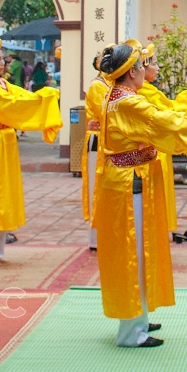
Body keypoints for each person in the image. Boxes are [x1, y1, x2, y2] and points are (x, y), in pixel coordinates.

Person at [93, 42, 187, 347]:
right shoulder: (128, 103)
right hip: (128, 184)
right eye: (142, 65)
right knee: (133, 251)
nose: (145, 70)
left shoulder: (118, 96)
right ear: (133, 72)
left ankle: (138, 317)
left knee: (138, 248)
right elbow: (161, 122)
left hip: (129, 180)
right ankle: (131, 331)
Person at [0, 38, 62, 266]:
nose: (3, 62)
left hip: (4, 141)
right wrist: (43, 98)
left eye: (2, 58)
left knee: (3, 193)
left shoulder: (1, 83)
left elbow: (20, 97)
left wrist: (44, 95)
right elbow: (11, 105)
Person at [138, 43, 187, 243]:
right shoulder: (143, 91)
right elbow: (167, 114)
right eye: (154, 63)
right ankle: (156, 230)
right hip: (153, 148)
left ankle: (161, 228)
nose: (158, 67)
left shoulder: (148, 90)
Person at [82, 54, 111, 249]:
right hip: (97, 141)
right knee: (96, 187)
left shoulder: (110, 84)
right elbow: (107, 111)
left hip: (107, 142)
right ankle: (96, 238)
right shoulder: (98, 86)